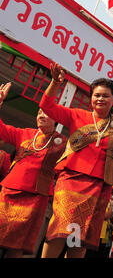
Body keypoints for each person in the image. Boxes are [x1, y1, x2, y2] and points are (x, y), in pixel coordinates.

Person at [39, 64, 113, 258]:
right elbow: (47, 106)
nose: (100, 99)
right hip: (70, 179)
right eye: (97, 95)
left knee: (81, 236)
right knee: (60, 229)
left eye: (105, 95)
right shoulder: (77, 115)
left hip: (98, 186)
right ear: (91, 98)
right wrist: (55, 83)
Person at [0, 82, 67, 258]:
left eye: (46, 112)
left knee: (17, 245)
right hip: (9, 191)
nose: (41, 115)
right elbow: (1, 129)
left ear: (56, 118)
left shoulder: (63, 142)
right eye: (39, 112)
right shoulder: (25, 133)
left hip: (35, 197)